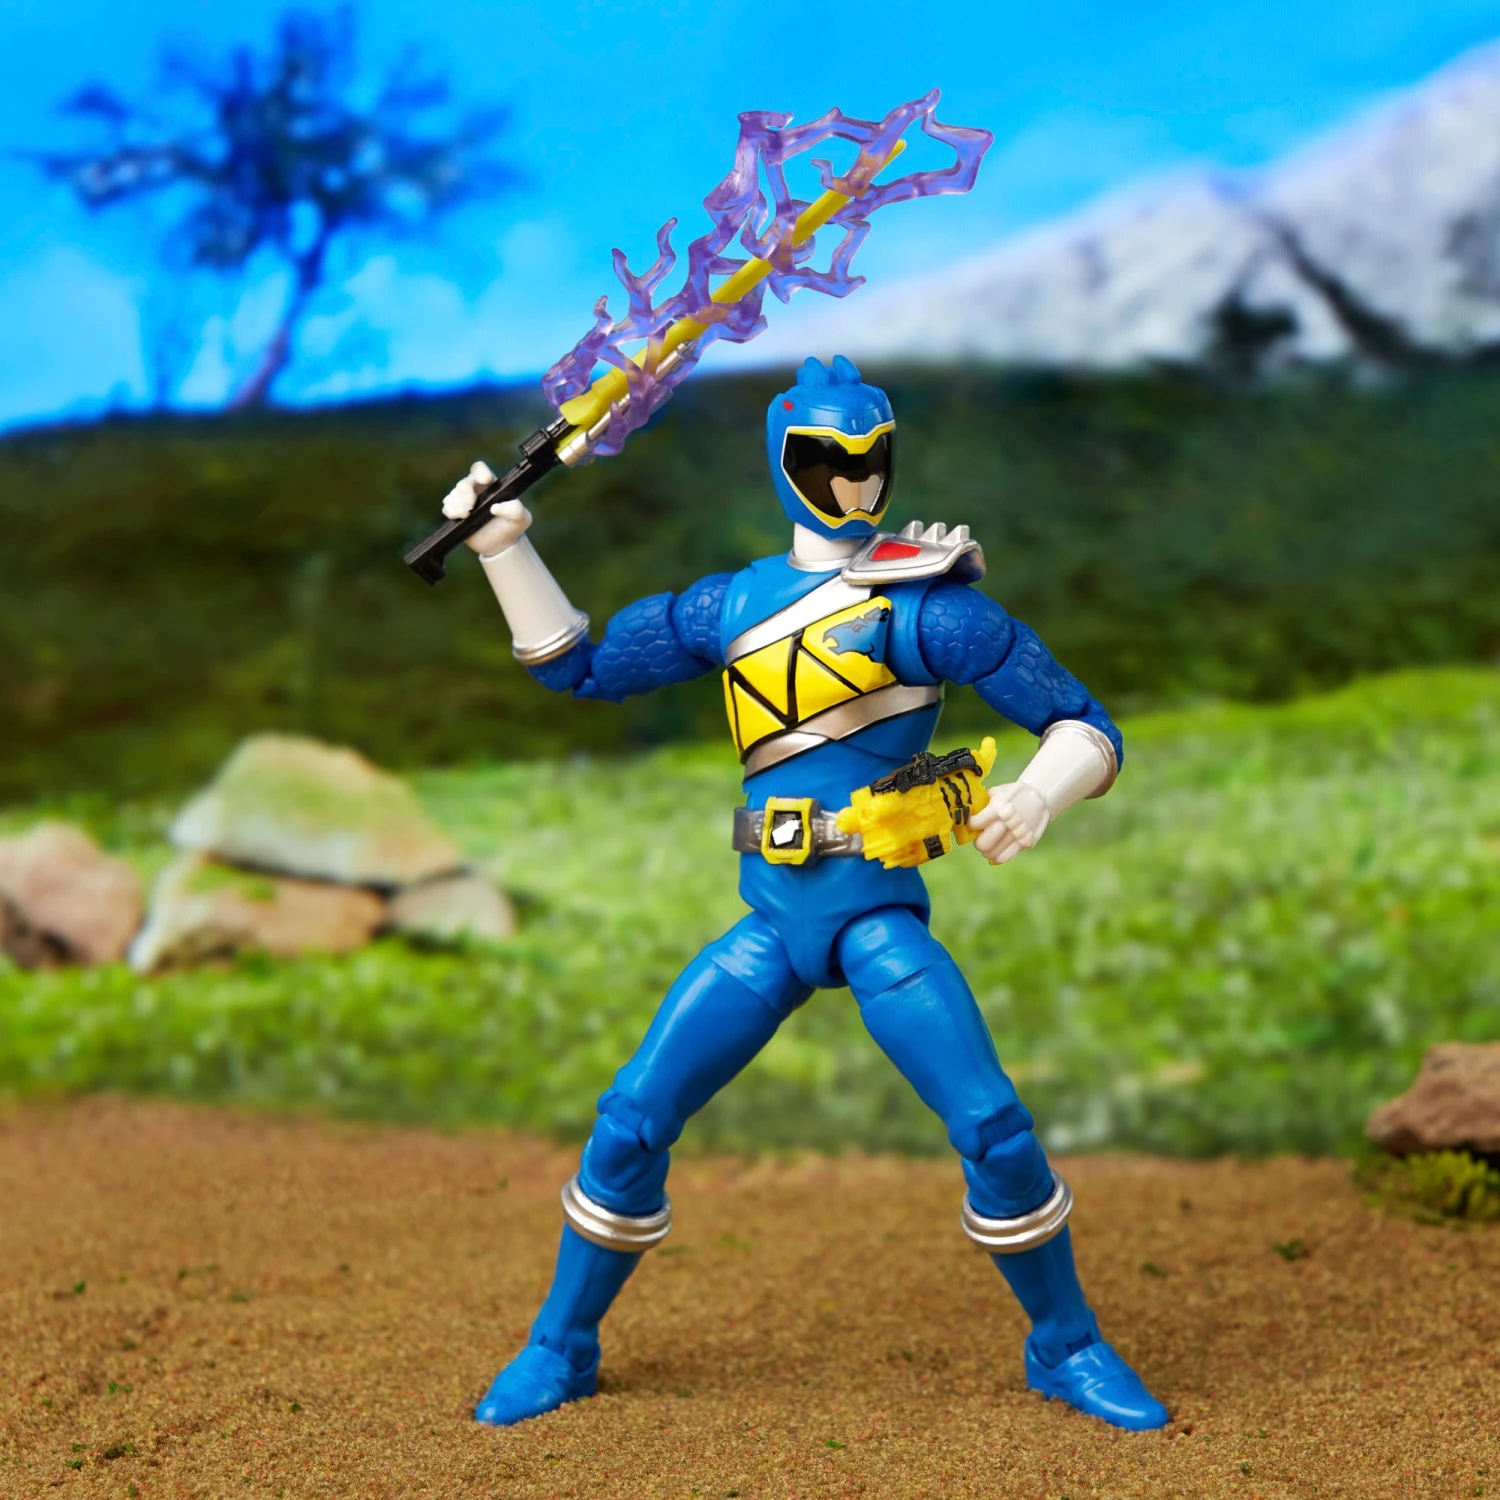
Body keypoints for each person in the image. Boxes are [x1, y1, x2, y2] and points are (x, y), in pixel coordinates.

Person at [442, 355, 1168, 1432]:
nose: (854, 481)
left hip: (877, 917)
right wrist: (505, 546)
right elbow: (577, 667)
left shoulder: (930, 609)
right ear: (786, 461)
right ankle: (561, 1343)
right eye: (828, 459)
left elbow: (1085, 725)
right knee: (632, 1120)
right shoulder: (729, 605)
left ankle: (1066, 1345)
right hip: (773, 922)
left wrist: (1038, 793)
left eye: (871, 459)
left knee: (993, 1125)